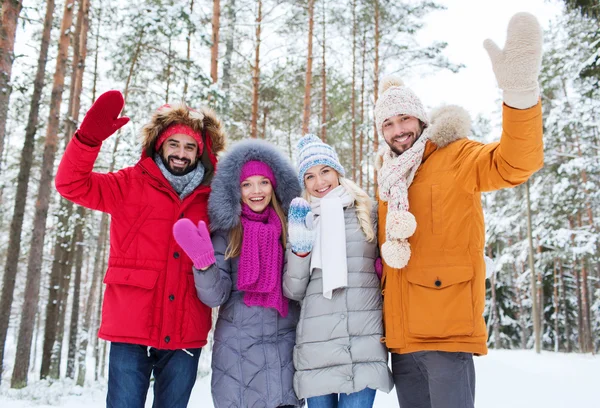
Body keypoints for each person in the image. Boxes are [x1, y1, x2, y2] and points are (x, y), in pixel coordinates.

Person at [373, 12, 544, 408]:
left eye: (405, 119)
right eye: (388, 124)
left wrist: (518, 96)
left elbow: (515, 163)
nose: (398, 130)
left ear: (421, 117)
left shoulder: (457, 155)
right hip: (401, 339)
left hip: (446, 333)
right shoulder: (389, 176)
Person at [54, 90, 226, 407]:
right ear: (159, 144)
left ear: (200, 153)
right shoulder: (130, 183)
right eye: (174, 143)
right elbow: (71, 184)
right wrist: (87, 140)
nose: (181, 153)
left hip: (185, 330)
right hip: (130, 326)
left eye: (190, 147)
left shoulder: (212, 198)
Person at [172, 139, 303, 408]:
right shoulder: (227, 233)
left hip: (285, 351)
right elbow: (215, 296)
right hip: (238, 354)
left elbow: (299, 286)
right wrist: (204, 264)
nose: (256, 191)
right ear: (236, 190)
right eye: (247, 184)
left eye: (263, 182)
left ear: (275, 186)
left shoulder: (292, 229)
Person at [282, 134, 393, 408]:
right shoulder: (302, 218)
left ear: (337, 171)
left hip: (363, 341)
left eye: (325, 171)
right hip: (317, 345)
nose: (319, 182)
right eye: (309, 176)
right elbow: (293, 290)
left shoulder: (368, 211)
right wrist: (300, 250)